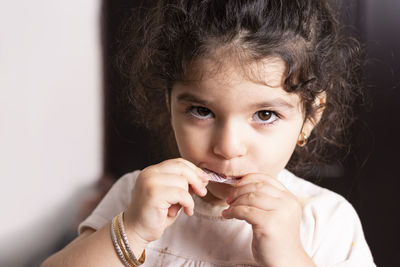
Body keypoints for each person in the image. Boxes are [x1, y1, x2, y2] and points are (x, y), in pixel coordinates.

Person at [42, 0, 376, 266]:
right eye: (202, 111)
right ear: (169, 104)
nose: (228, 148)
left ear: (310, 117)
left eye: (265, 114)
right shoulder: (135, 196)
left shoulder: (324, 220)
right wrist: (133, 228)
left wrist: (290, 257)